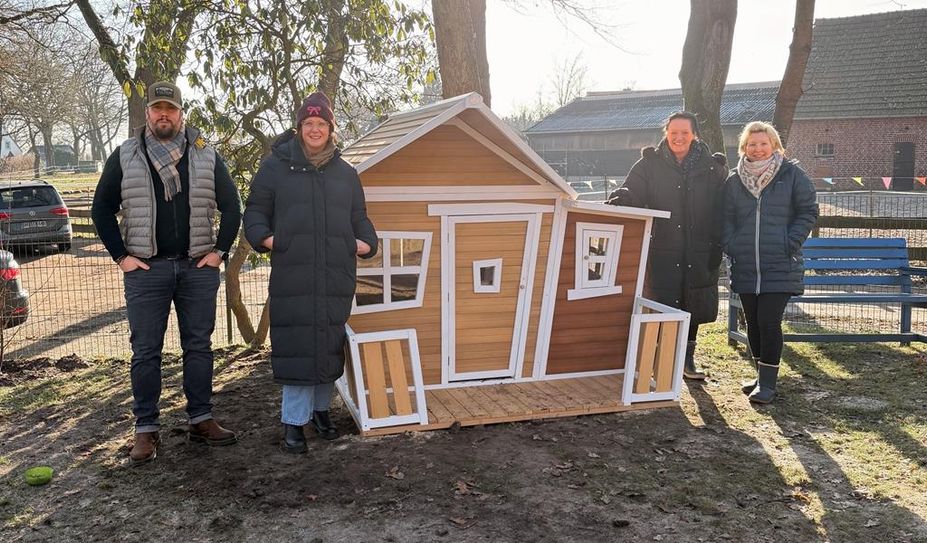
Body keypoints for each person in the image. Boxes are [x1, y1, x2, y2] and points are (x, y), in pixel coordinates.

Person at [91, 81, 242, 466]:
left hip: (196, 269)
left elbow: (232, 205)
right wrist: (122, 257)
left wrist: (219, 252)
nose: (164, 115)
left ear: (181, 113)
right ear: (147, 114)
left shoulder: (206, 155)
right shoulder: (126, 155)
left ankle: (201, 420)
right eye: (157, 108)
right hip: (147, 270)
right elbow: (101, 209)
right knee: (145, 352)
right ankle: (146, 429)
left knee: (199, 347)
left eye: (170, 109)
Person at [243, 91, 377, 452]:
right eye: (308, 123)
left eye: (321, 124)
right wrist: (271, 240)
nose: (315, 129)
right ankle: (293, 422)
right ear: (298, 127)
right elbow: (254, 212)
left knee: (328, 344)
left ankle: (320, 412)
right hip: (293, 273)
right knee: (299, 345)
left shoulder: (346, 173)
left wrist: (366, 242)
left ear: (331, 129)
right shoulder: (275, 166)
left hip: (335, 274)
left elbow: (359, 218)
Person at [607, 111, 728, 380]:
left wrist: (719, 241)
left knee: (693, 302)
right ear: (667, 134)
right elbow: (633, 193)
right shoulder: (648, 165)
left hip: (701, 248)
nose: (679, 137)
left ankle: (687, 361)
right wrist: (622, 198)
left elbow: (725, 207)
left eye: (685, 132)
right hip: (662, 247)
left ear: (695, 134)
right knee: (661, 300)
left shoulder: (714, 168)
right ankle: (659, 361)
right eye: (674, 133)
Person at [721, 121, 818, 404]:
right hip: (747, 263)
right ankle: (760, 375)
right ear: (744, 147)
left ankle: (768, 385)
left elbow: (808, 211)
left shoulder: (792, 175)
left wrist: (791, 241)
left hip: (780, 262)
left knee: (768, 320)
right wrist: (732, 243)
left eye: (763, 143)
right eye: (752, 144)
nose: (758, 148)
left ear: (774, 145)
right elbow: (725, 217)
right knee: (752, 321)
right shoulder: (734, 179)